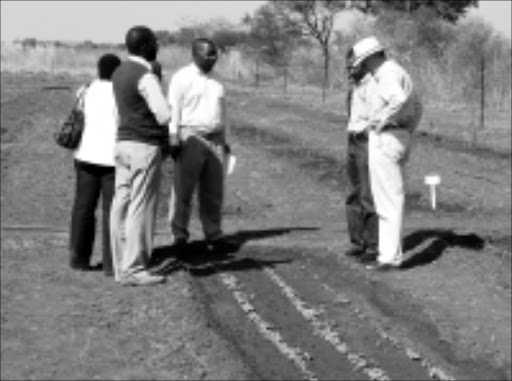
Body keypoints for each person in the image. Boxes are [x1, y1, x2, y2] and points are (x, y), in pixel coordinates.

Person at [349, 36, 422, 270]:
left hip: (386, 137)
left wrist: (381, 121)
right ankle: (388, 254)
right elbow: (417, 106)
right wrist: (408, 128)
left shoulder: (386, 74)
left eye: (362, 61)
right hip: (399, 135)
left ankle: (389, 257)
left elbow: (398, 99)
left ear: (370, 57)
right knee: (389, 197)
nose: (363, 66)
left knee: (387, 200)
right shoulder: (398, 71)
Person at [110, 25, 174, 286]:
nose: (158, 46)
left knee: (120, 204)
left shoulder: (118, 71)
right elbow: (164, 114)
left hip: (122, 143)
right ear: (146, 45)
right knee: (139, 205)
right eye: (155, 42)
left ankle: (120, 264)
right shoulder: (145, 75)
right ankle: (134, 268)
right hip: (143, 145)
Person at [167, 38, 235, 253]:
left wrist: (227, 141)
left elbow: (224, 113)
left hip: (215, 138)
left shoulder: (218, 81)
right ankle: (179, 235)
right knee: (183, 190)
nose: (213, 58)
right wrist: (174, 138)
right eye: (208, 54)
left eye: (215, 53)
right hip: (190, 137)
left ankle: (213, 234)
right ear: (195, 54)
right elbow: (173, 110)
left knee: (213, 191)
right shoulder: (181, 78)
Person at [69, 53, 121, 276]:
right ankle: (111, 264)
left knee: (83, 208)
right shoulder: (121, 94)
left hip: (86, 156)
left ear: (98, 69)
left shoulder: (86, 90)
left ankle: (79, 259)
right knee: (112, 211)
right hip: (112, 160)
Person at [343, 48, 379, 263]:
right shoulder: (354, 87)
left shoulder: (373, 86)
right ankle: (358, 242)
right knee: (353, 194)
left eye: (352, 66)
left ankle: (373, 246)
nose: (348, 70)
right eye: (347, 66)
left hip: (365, 141)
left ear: (363, 64)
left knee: (367, 194)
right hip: (352, 138)